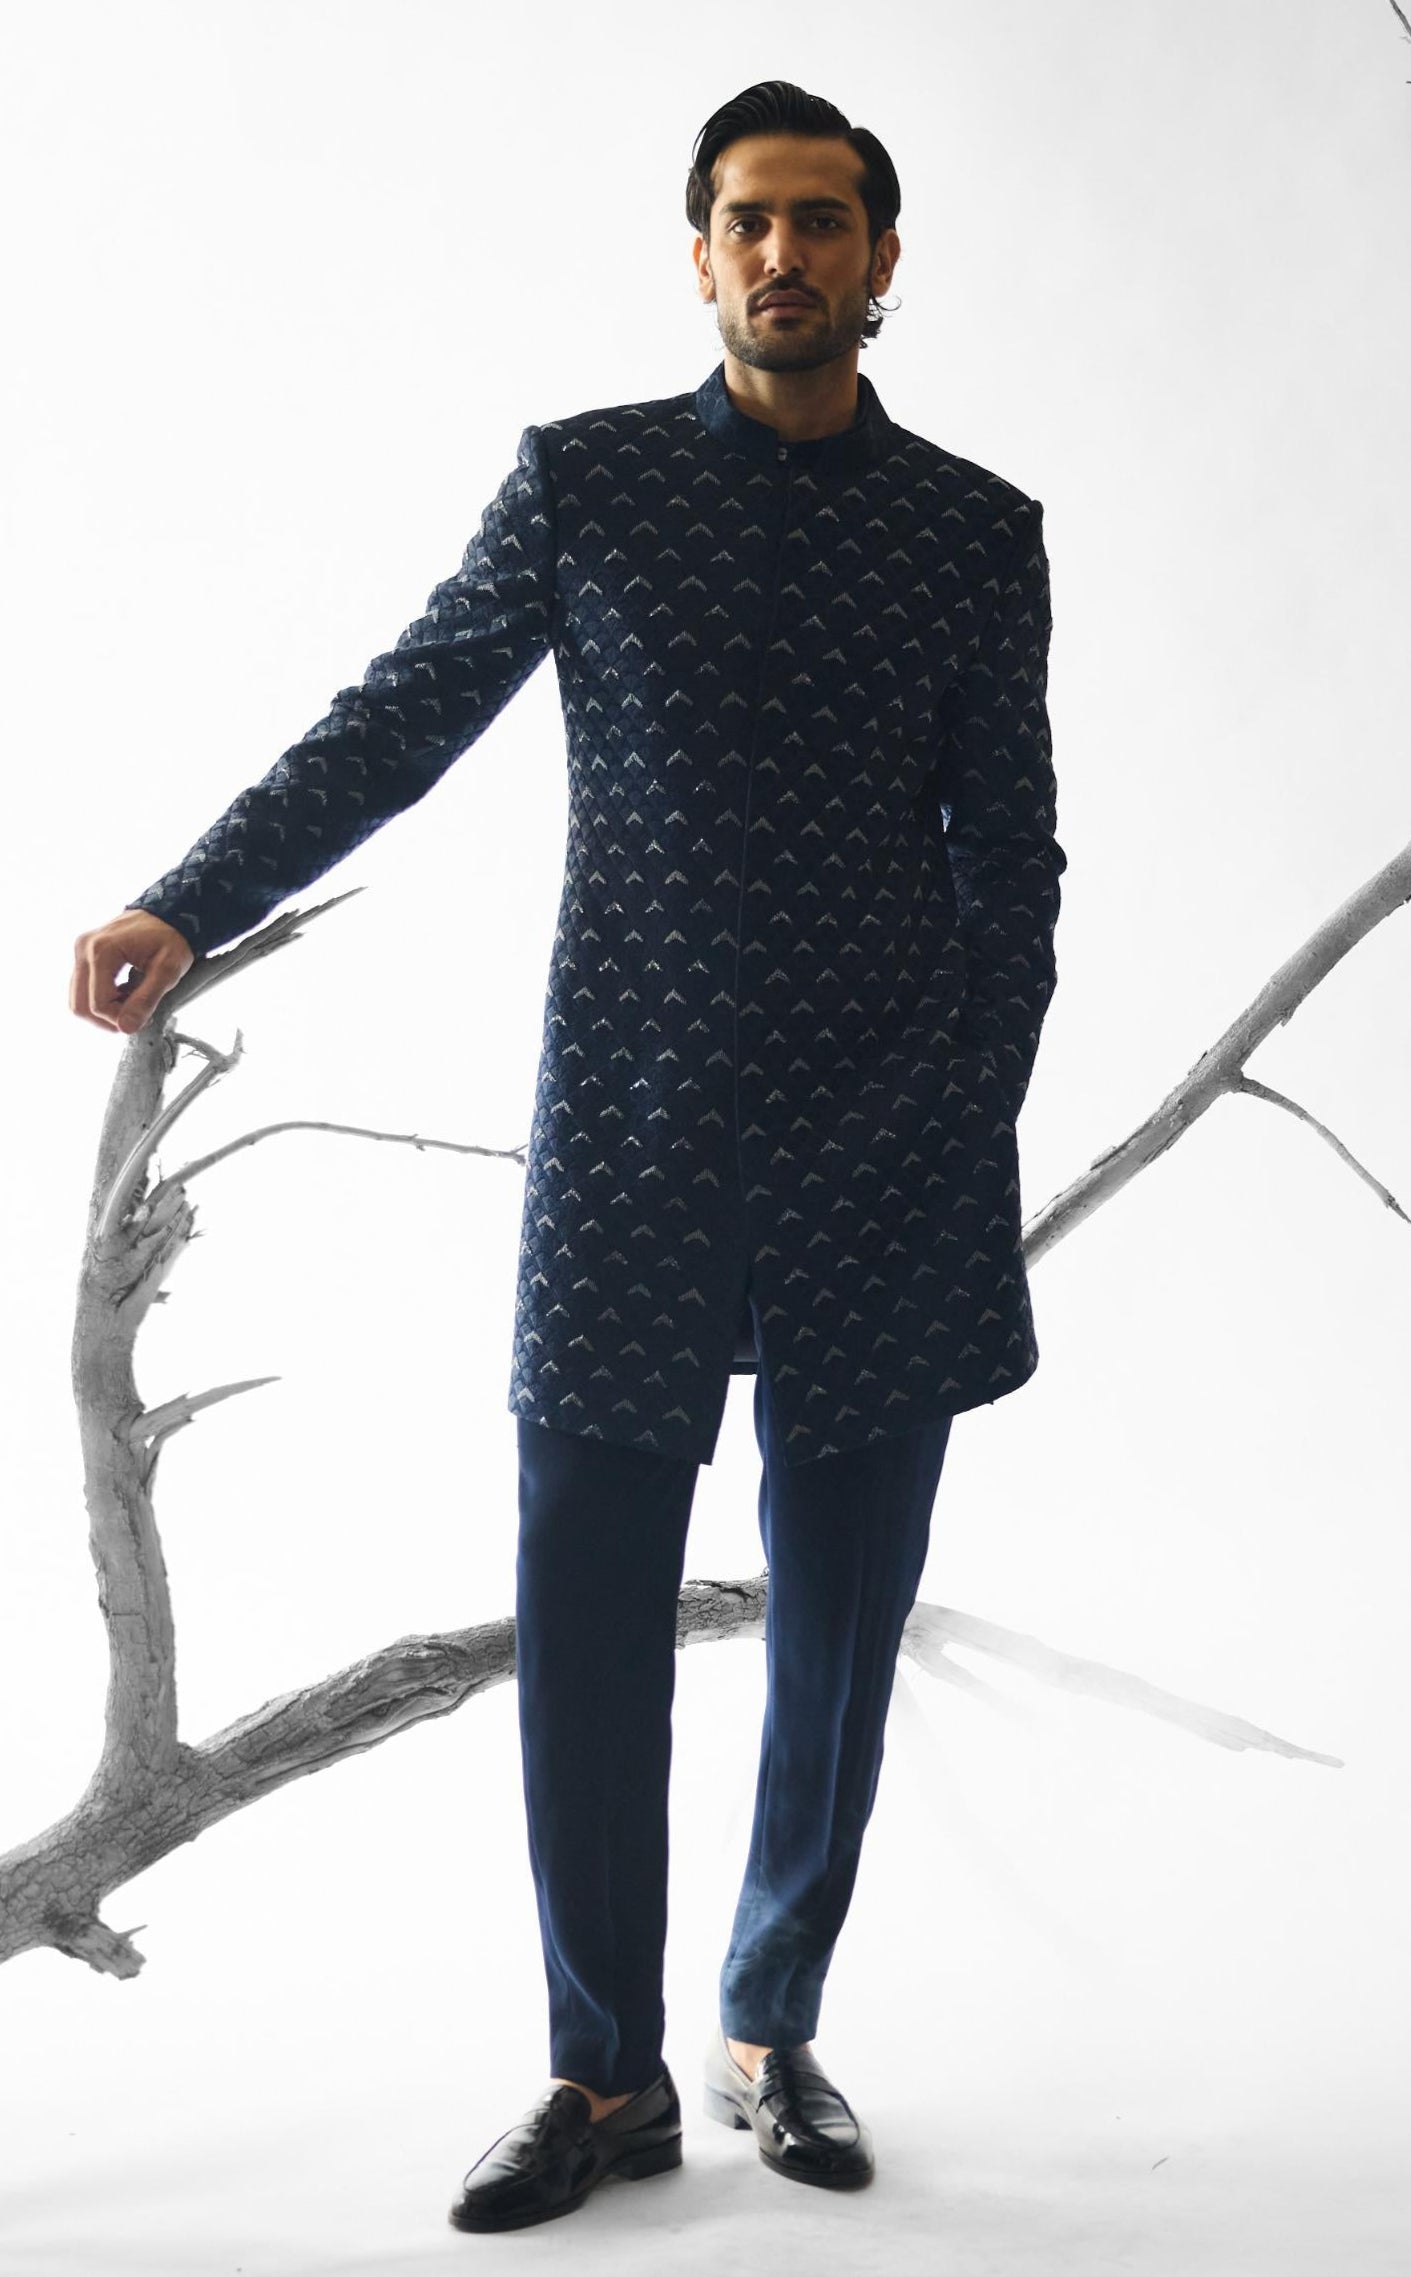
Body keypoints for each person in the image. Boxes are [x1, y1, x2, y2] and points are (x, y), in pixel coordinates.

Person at [69, 78, 1065, 2233]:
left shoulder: (973, 533)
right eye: (749, 219)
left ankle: (771, 2022)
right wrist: (187, 895)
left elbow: (1015, 854)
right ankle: (602, 2072)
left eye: (824, 220)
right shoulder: (591, 485)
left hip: (886, 1148)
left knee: (838, 1627)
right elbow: (402, 713)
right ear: (698, 253)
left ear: (885, 259)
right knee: (588, 1613)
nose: (785, 253)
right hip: (635, 1131)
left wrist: (967, 1094)